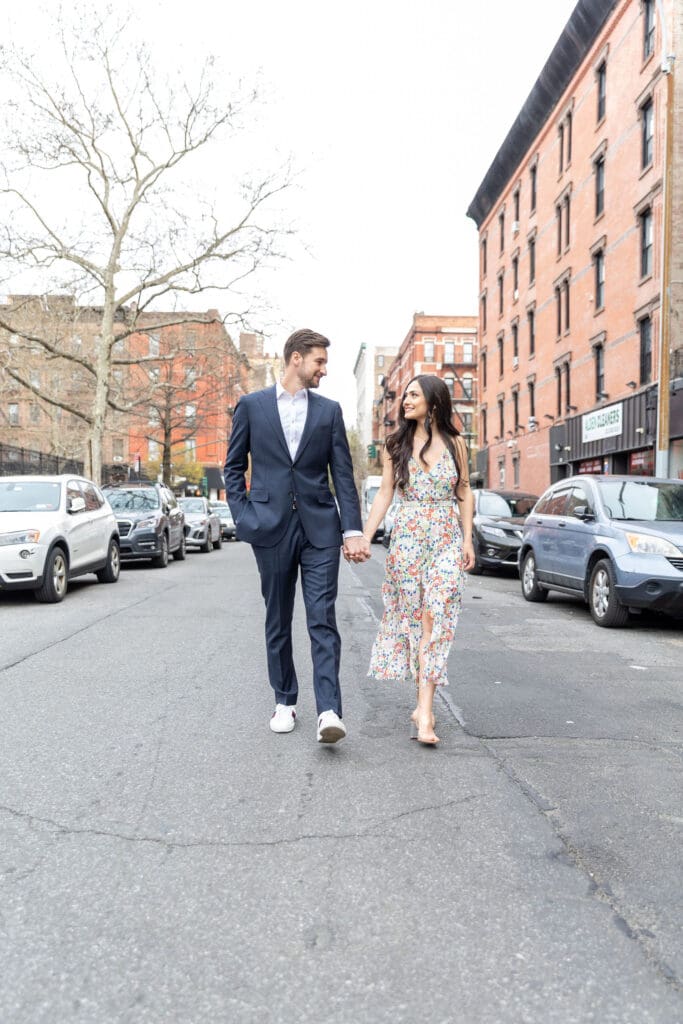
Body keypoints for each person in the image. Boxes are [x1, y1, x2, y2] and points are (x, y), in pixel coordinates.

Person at [224, 328, 370, 744]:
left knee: (322, 617)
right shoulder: (252, 406)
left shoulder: (329, 412)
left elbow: (343, 475)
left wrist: (352, 530)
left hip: (320, 528)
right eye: (319, 361)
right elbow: (233, 468)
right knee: (278, 617)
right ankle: (284, 700)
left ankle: (329, 710)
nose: (324, 369)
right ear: (296, 359)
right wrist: (244, 517)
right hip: (269, 527)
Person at [360, 374, 475, 745]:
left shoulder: (457, 444)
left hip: (445, 537)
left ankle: (425, 712)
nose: (406, 401)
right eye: (405, 395)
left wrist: (467, 539)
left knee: (436, 617)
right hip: (408, 539)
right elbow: (385, 493)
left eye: (413, 395)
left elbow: (464, 490)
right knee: (416, 623)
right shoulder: (396, 444)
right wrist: (365, 536)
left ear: (433, 401)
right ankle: (422, 704)